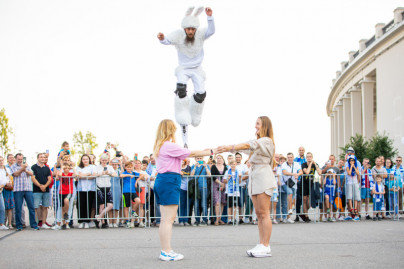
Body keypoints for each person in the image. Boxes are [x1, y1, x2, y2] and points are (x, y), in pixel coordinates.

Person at [152, 119, 215, 261]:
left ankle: (165, 250)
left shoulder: (161, 145)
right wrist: (210, 151)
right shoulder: (168, 145)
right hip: (169, 180)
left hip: (164, 180)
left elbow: (182, 157)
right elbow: (191, 153)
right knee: (168, 219)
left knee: (165, 219)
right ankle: (166, 251)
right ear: (170, 130)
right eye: (173, 129)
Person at [218, 116, 276, 258]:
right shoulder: (259, 143)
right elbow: (247, 150)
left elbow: (248, 145)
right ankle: (261, 243)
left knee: (264, 213)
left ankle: (266, 245)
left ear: (265, 126)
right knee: (258, 214)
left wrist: (230, 147)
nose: (255, 126)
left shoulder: (266, 141)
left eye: (258, 124)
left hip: (263, 177)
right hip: (255, 177)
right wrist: (230, 150)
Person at [157, 7, 215, 147]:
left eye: (192, 29)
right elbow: (167, 41)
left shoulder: (200, 34)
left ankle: (195, 114)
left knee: (201, 94)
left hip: (197, 69)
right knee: (181, 88)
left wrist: (210, 17)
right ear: (184, 29)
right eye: (188, 29)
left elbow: (211, 31)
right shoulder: (178, 35)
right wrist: (162, 38)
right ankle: (183, 115)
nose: (190, 32)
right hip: (183, 68)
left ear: (195, 29)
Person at [10, 153, 38, 230]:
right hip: (18, 190)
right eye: (18, 159)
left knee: (31, 207)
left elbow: (31, 173)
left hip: (28, 189)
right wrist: (22, 169)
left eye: (21, 159)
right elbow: (15, 174)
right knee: (18, 208)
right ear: (15, 159)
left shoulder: (26, 165)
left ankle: (33, 224)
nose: (20, 161)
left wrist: (25, 169)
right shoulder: (13, 166)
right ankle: (19, 225)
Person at [94, 154, 117, 228]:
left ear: (107, 160)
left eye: (105, 160)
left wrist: (109, 173)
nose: (104, 161)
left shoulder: (109, 167)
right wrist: (102, 173)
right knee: (102, 206)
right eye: (103, 160)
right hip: (100, 187)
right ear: (100, 160)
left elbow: (115, 174)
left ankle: (98, 218)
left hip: (108, 187)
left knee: (110, 205)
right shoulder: (97, 167)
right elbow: (94, 174)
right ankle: (103, 222)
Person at [31, 153, 52, 229]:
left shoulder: (46, 168)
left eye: (44, 157)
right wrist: (40, 186)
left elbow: (49, 179)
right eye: (41, 157)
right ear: (38, 158)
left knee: (45, 207)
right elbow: (33, 178)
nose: (43, 158)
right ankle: (35, 224)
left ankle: (43, 223)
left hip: (46, 190)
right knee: (35, 207)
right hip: (36, 190)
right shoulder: (33, 167)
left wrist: (45, 186)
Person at [76, 154, 96, 229]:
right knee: (81, 205)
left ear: (89, 160)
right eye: (83, 159)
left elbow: (93, 176)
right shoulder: (78, 168)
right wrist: (88, 174)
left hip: (90, 188)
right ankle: (81, 221)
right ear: (81, 160)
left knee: (89, 205)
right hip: (81, 189)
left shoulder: (92, 167)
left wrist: (83, 175)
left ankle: (87, 221)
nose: (85, 160)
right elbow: (78, 177)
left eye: (86, 159)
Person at [281, 153, 302, 223]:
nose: (289, 158)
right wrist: (293, 174)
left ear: (293, 158)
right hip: (285, 183)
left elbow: (301, 172)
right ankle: (289, 210)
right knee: (289, 194)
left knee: (290, 200)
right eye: (288, 157)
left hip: (293, 184)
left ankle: (288, 217)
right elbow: (284, 172)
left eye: (291, 157)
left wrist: (297, 175)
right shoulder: (284, 164)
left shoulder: (296, 164)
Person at [55, 162, 77, 230]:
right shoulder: (61, 172)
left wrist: (73, 167)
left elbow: (76, 175)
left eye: (68, 168)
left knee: (66, 201)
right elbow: (60, 175)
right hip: (61, 191)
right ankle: (64, 223)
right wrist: (62, 167)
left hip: (69, 191)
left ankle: (66, 214)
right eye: (65, 168)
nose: (66, 169)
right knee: (62, 207)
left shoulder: (70, 174)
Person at [190, 156, 211, 226]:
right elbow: (191, 175)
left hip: (203, 186)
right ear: (195, 159)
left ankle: (205, 220)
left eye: (200, 158)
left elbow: (209, 175)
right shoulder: (193, 166)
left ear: (202, 159)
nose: (199, 160)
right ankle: (197, 220)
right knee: (196, 204)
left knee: (203, 204)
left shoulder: (206, 166)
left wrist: (205, 167)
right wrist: (195, 167)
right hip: (196, 187)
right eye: (198, 158)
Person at [301, 152, 322, 222]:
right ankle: (306, 216)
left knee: (309, 200)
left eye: (310, 156)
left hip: (311, 184)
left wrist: (315, 165)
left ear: (312, 157)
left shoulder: (314, 165)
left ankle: (304, 211)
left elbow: (320, 172)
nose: (309, 158)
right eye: (307, 157)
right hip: (304, 183)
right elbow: (307, 172)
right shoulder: (303, 164)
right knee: (304, 199)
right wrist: (310, 164)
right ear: (306, 158)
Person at [120, 162, 141, 228]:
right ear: (125, 167)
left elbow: (143, 175)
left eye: (130, 167)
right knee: (126, 207)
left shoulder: (134, 173)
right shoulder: (124, 173)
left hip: (133, 191)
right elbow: (121, 176)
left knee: (138, 201)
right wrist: (128, 175)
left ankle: (133, 211)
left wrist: (137, 180)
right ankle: (127, 221)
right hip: (126, 191)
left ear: (132, 167)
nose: (129, 168)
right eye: (128, 167)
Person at [210, 155, 227, 226]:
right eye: (218, 158)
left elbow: (226, 176)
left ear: (223, 159)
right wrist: (220, 183)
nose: (219, 159)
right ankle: (216, 219)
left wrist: (223, 185)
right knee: (217, 202)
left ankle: (220, 219)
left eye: (220, 158)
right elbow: (213, 176)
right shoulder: (213, 167)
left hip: (224, 186)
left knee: (222, 202)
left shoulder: (225, 167)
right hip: (216, 185)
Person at [223, 160, 240, 225]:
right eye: (232, 164)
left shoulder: (238, 172)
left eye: (234, 164)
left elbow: (239, 182)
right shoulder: (227, 172)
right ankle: (229, 219)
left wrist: (240, 177)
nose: (233, 165)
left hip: (236, 191)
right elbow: (224, 181)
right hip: (229, 191)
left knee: (235, 206)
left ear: (236, 165)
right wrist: (228, 178)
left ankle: (234, 218)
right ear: (230, 165)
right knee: (229, 206)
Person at [134, 159, 149, 227]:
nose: (137, 164)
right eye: (136, 163)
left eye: (138, 163)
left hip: (142, 188)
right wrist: (140, 176)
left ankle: (141, 221)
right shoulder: (132, 171)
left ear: (141, 164)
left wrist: (139, 177)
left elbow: (145, 178)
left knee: (141, 205)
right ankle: (135, 220)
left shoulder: (144, 172)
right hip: (134, 189)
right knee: (134, 205)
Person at [345, 156, 361, 221]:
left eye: (353, 160)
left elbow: (358, 173)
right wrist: (351, 166)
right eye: (350, 160)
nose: (352, 161)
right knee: (349, 197)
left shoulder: (356, 166)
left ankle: (355, 209)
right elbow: (349, 173)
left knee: (356, 197)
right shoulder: (347, 166)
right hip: (349, 182)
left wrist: (354, 166)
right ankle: (351, 209)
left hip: (355, 182)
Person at [235, 152, 249, 224]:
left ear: (241, 158)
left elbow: (247, 175)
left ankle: (241, 218)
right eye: (236, 157)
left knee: (241, 203)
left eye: (239, 157)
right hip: (234, 188)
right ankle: (233, 218)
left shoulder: (244, 166)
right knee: (234, 203)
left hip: (241, 187)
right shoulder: (233, 166)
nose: (238, 158)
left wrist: (240, 180)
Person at [293, 147, 306, 222]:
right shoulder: (296, 159)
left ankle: (305, 215)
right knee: (299, 198)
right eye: (300, 150)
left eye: (302, 150)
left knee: (304, 199)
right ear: (298, 151)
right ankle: (297, 215)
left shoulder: (305, 159)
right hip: (298, 180)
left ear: (304, 151)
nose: (301, 151)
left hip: (305, 181)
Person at [2, 155, 14, 229]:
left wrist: (9, 183)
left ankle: (10, 224)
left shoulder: (7, 169)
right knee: (2, 207)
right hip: (2, 189)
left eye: (1, 160)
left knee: (9, 207)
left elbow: (10, 178)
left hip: (8, 189)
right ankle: (2, 223)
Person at [109, 158, 122, 227]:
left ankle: (115, 222)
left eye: (115, 164)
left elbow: (122, 173)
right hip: (110, 188)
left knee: (116, 206)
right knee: (110, 206)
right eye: (113, 164)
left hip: (117, 189)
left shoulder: (118, 170)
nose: (114, 166)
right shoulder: (109, 170)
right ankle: (110, 222)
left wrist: (120, 164)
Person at [179, 159, 191, 226]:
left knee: (187, 204)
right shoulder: (177, 168)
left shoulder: (189, 167)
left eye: (183, 161)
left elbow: (192, 175)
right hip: (181, 188)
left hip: (188, 188)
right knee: (181, 204)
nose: (182, 162)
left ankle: (186, 220)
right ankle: (181, 220)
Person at [0, 156, 11, 230]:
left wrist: (6, 184)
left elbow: (8, 180)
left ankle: (1, 224)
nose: (1, 162)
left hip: (1, 190)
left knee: (2, 208)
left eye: (1, 160)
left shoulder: (6, 170)